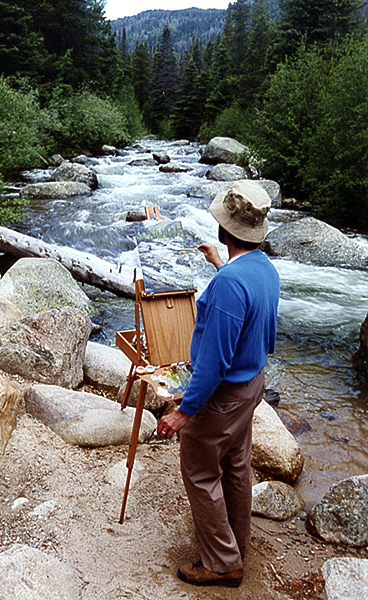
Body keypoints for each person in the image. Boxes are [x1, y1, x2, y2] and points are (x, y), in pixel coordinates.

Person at [157, 179, 280, 588]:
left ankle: (223, 564)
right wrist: (220, 265)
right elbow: (250, 315)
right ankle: (235, 543)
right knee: (235, 465)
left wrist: (183, 412)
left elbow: (211, 364)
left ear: (224, 230)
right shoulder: (264, 270)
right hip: (251, 386)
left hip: (223, 395)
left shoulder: (230, 284)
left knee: (200, 473)